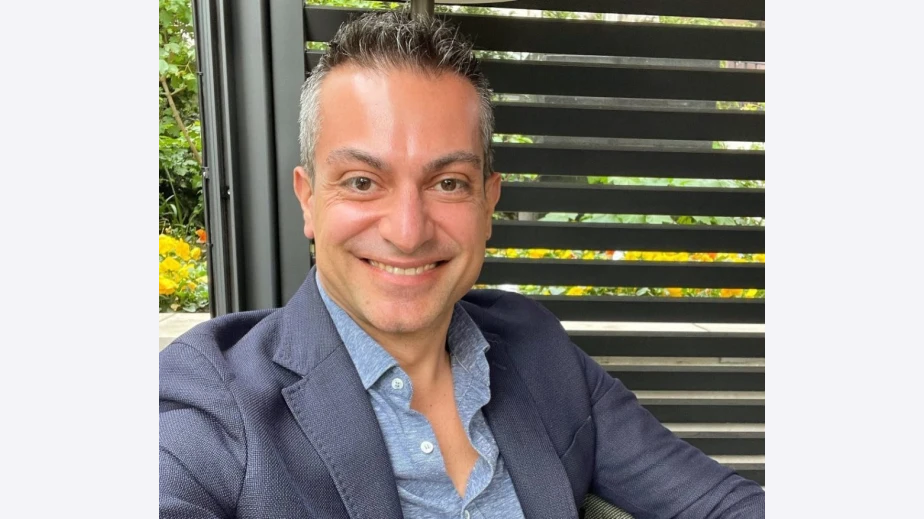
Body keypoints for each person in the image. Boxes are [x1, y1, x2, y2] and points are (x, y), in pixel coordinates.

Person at [159, 10, 765, 519]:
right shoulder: (215, 399)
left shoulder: (537, 350)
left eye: (448, 182)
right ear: (308, 200)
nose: (407, 232)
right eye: (363, 181)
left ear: (487, 203)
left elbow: (722, 505)